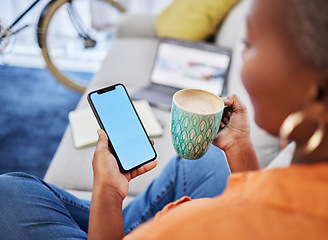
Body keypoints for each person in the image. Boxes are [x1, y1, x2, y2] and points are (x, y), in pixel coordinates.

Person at [1, 0, 328, 239]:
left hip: (183, 221)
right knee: (210, 161)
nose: (241, 56)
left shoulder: (183, 230)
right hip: (217, 209)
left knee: (9, 193)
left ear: (312, 89)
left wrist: (108, 194)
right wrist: (240, 146)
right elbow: (265, 213)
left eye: (250, 44)